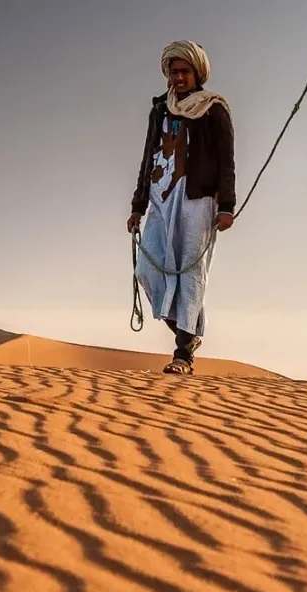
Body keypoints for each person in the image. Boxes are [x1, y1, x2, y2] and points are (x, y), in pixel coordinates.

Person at [127, 40, 236, 375]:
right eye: (173, 71)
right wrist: (138, 205)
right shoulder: (160, 109)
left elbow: (225, 160)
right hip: (161, 198)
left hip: (197, 198)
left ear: (196, 72)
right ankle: (188, 333)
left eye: (185, 71)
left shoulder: (213, 109)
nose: (178, 77)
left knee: (190, 275)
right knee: (148, 270)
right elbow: (148, 157)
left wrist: (226, 205)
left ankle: (183, 354)